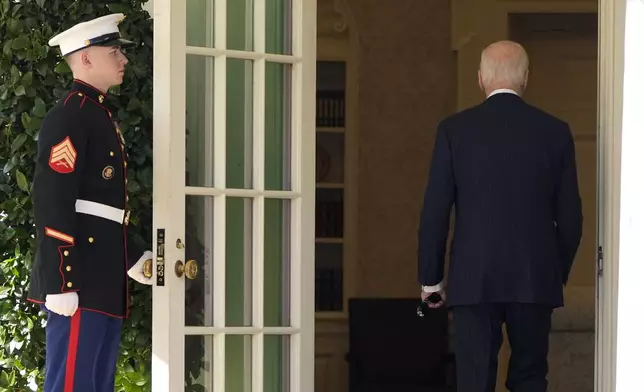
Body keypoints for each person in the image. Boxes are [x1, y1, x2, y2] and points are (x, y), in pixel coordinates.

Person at [416, 40, 583, 392]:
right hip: (535, 277)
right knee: (530, 378)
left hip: (472, 279)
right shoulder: (555, 132)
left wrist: (432, 281)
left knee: (474, 382)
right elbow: (571, 218)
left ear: (480, 79)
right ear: (526, 77)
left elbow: (435, 211)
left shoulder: (453, 131)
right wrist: (555, 271)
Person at [26, 13, 154, 392]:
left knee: (96, 383)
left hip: (101, 275)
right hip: (79, 277)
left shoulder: (96, 114)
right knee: (72, 384)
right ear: (85, 58)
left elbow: (102, 208)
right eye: (113, 51)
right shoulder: (71, 115)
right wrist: (61, 280)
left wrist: (131, 255)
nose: (123, 59)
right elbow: (53, 198)